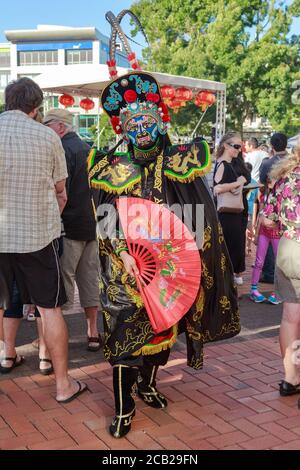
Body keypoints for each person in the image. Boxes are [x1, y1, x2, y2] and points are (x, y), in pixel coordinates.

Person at [87, 9, 240, 439]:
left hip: (169, 266)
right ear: (121, 127)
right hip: (125, 265)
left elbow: (198, 213)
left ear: (160, 120)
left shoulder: (180, 162)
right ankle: (121, 408)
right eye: (131, 121)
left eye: (147, 119)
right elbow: (104, 219)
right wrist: (123, 255)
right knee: (122, 334)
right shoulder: (108, 166)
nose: (140, 126)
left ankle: (149, 383)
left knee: (161, 333)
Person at [0, 78, 87, 402]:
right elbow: (60, 190)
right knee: (50, 309)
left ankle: (7, 355)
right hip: (37, 235)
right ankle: (63, 385)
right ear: (36, 108)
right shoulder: (48, 136)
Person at [43, 109, 101, 352]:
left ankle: (57, 338)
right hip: (92, 223)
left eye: (47, 125)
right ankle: (93, 332)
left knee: (63, 283)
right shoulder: (89, 149)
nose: (44, 130)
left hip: (69, 224)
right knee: (90, 279)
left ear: (60, 127)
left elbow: (60, 191)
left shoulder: (63, 149)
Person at [262, 139, 300, 402]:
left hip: (288, 249)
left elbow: (267, 219)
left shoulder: (284, 177)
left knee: (290, 317)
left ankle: (290, 378)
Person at [213, 132, 249, 285]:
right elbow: (217, 189)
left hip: (231, 214)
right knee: (229, 247)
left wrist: (240, 182)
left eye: (240, 147)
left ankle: (227, 283)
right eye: (235, 146)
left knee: (232, 247)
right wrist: (237, 183)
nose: (238, 149)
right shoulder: (223, 164)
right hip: (226, 214)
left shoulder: (226, 163)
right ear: (225, 145)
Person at [259, 133, 289, 284]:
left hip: (272, 204)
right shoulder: (293, 161)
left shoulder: (267, 163)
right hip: (291, 204)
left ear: (271, 145)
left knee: (271, 236)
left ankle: (270, 273)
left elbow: (263, 182)